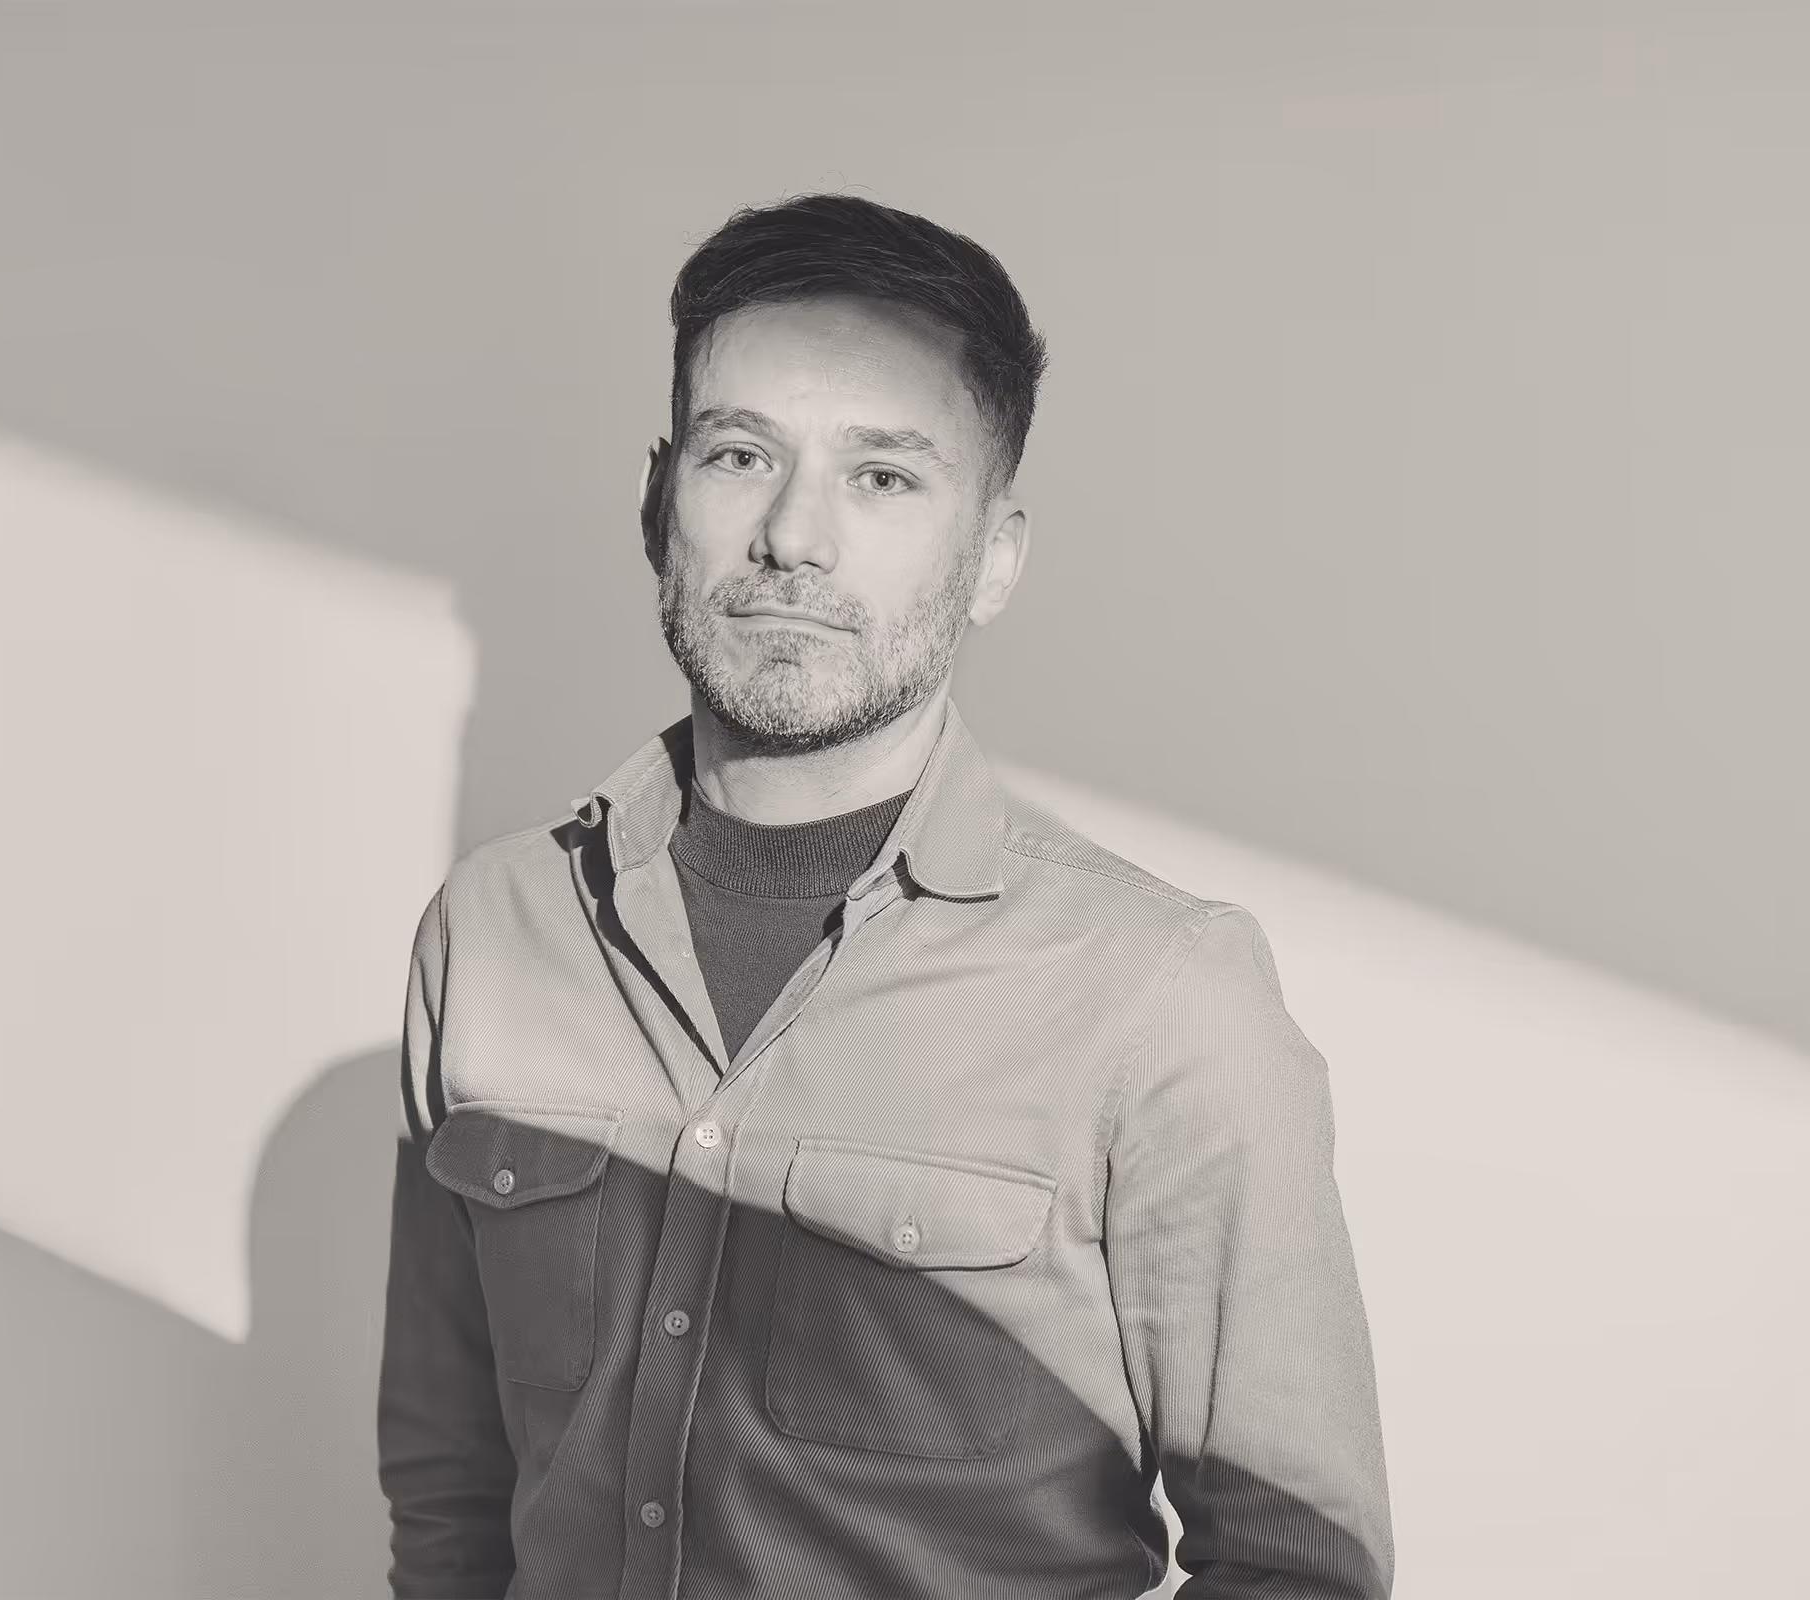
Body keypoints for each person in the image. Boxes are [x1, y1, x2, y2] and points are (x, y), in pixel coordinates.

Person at [377, 193, 1393, 1600]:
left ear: (994, 558)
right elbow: (450, 1510)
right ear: (659, 500)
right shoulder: (490, 934)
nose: (794, 535)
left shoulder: (1166, 993)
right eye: (741, 455)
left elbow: (1298, 1570)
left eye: (884, 478)